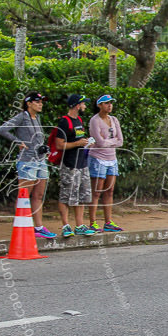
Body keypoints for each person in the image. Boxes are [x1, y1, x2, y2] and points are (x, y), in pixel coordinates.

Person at [0, 92, 55, 239]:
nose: (40, 104)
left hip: (40, 160)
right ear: (29, 103)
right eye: (37, 101)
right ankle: (21, 226)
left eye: (42, 101)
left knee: (39, 194)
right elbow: (2, 129)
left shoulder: (38, 117)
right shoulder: (22, 116)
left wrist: (44, 148)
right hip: (27, 161)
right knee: (24, 195)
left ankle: (39, 227)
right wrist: (17, 142)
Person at [56, 94, 95, 237]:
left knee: (82, 195)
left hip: (82, 163)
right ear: (77, 105)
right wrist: (77, 144)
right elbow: (59, 145)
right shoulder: (64, 122)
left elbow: (80, 139)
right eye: (83, 103)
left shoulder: (79, 120)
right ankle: (65, 225)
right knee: (66, 195)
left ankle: (79, 225)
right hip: (70, 164)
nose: (85, 106)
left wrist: (87, 143)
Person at [87, 94, 124, 232]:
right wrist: (111, 141)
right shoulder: (94, 120)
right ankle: (93, 222)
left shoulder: (114, 120)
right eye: (106, 103)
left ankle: (108, 221)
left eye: (111, 103)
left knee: (109, 191)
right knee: (96, 191)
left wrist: (108, 142)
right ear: (99, 105)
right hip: (98, 158)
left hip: (112, 159)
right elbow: (99, 142)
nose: (109, 105)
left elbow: (120, 141)